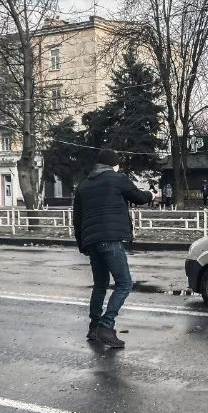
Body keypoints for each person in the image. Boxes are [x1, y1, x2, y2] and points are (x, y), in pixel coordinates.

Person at [73, 149, 154, 348]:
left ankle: (93, 328)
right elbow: (138, 197)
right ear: (113, 164)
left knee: (100, 284)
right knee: (124, 283)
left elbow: (77, 220)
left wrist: (82, 244)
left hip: (91, 242)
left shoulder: (83, 186)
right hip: (111, 239)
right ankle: (106, 326)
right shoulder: (117, 178)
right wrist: (150, 194)